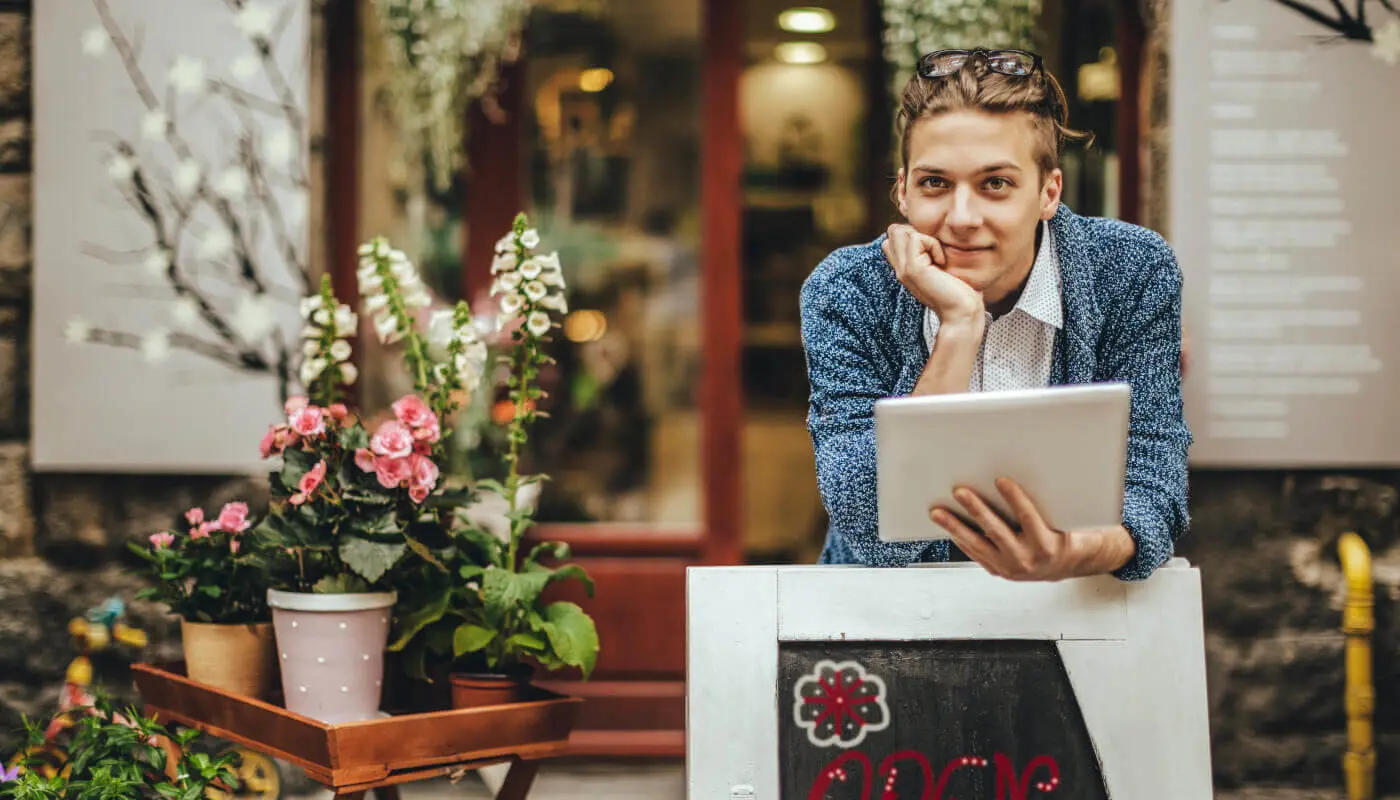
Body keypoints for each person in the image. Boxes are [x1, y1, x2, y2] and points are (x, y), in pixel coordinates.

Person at [800, 48, 1190, 582]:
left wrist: (1080, 550)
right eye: (935, 183)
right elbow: (872, 529)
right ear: (903, 192)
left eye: (995, 184)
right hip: (890, 619)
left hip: (1076, 607)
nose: (961, 218)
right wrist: (959, 326)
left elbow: (1153, 474)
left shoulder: (1129, 271)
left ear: (1048, 191)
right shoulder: (848, 289)